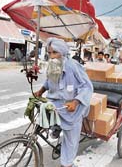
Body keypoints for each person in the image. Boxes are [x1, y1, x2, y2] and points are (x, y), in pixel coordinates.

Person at [34, 37, 93, 167]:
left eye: (54, 52)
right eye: (49, 53)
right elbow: (50, 82)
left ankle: (67, 164)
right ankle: (57, 127)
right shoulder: (53, 65)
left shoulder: (73, 66)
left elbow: (87, 87)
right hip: (57, 104)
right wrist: (41, 90)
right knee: (43, 114)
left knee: (71, 140)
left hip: (73, 107)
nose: (51, 56)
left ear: (62, 52)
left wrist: (76, 102)